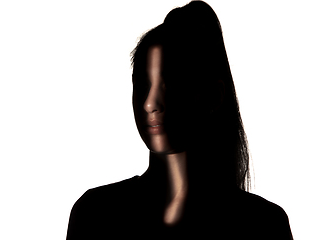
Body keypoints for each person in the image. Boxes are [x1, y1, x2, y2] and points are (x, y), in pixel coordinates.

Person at [66, 1, 294, 239]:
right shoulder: (96, 214)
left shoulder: (262, 225)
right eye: (143, 85)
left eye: (170, 85)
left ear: (214, 96)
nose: (150, 103)